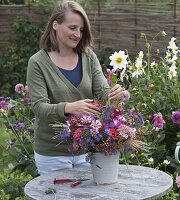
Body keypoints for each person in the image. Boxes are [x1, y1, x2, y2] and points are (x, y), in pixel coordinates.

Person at [26, 0, 125, 175]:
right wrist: (69, 108)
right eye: (72, 28)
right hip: (53, 154)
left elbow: (103, 95)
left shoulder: (88, 56)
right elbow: (39, 107)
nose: (78, 34)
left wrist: (118, 95)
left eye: (81, 30)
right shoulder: (38, 62)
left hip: (87, 149)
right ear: (55, 25)